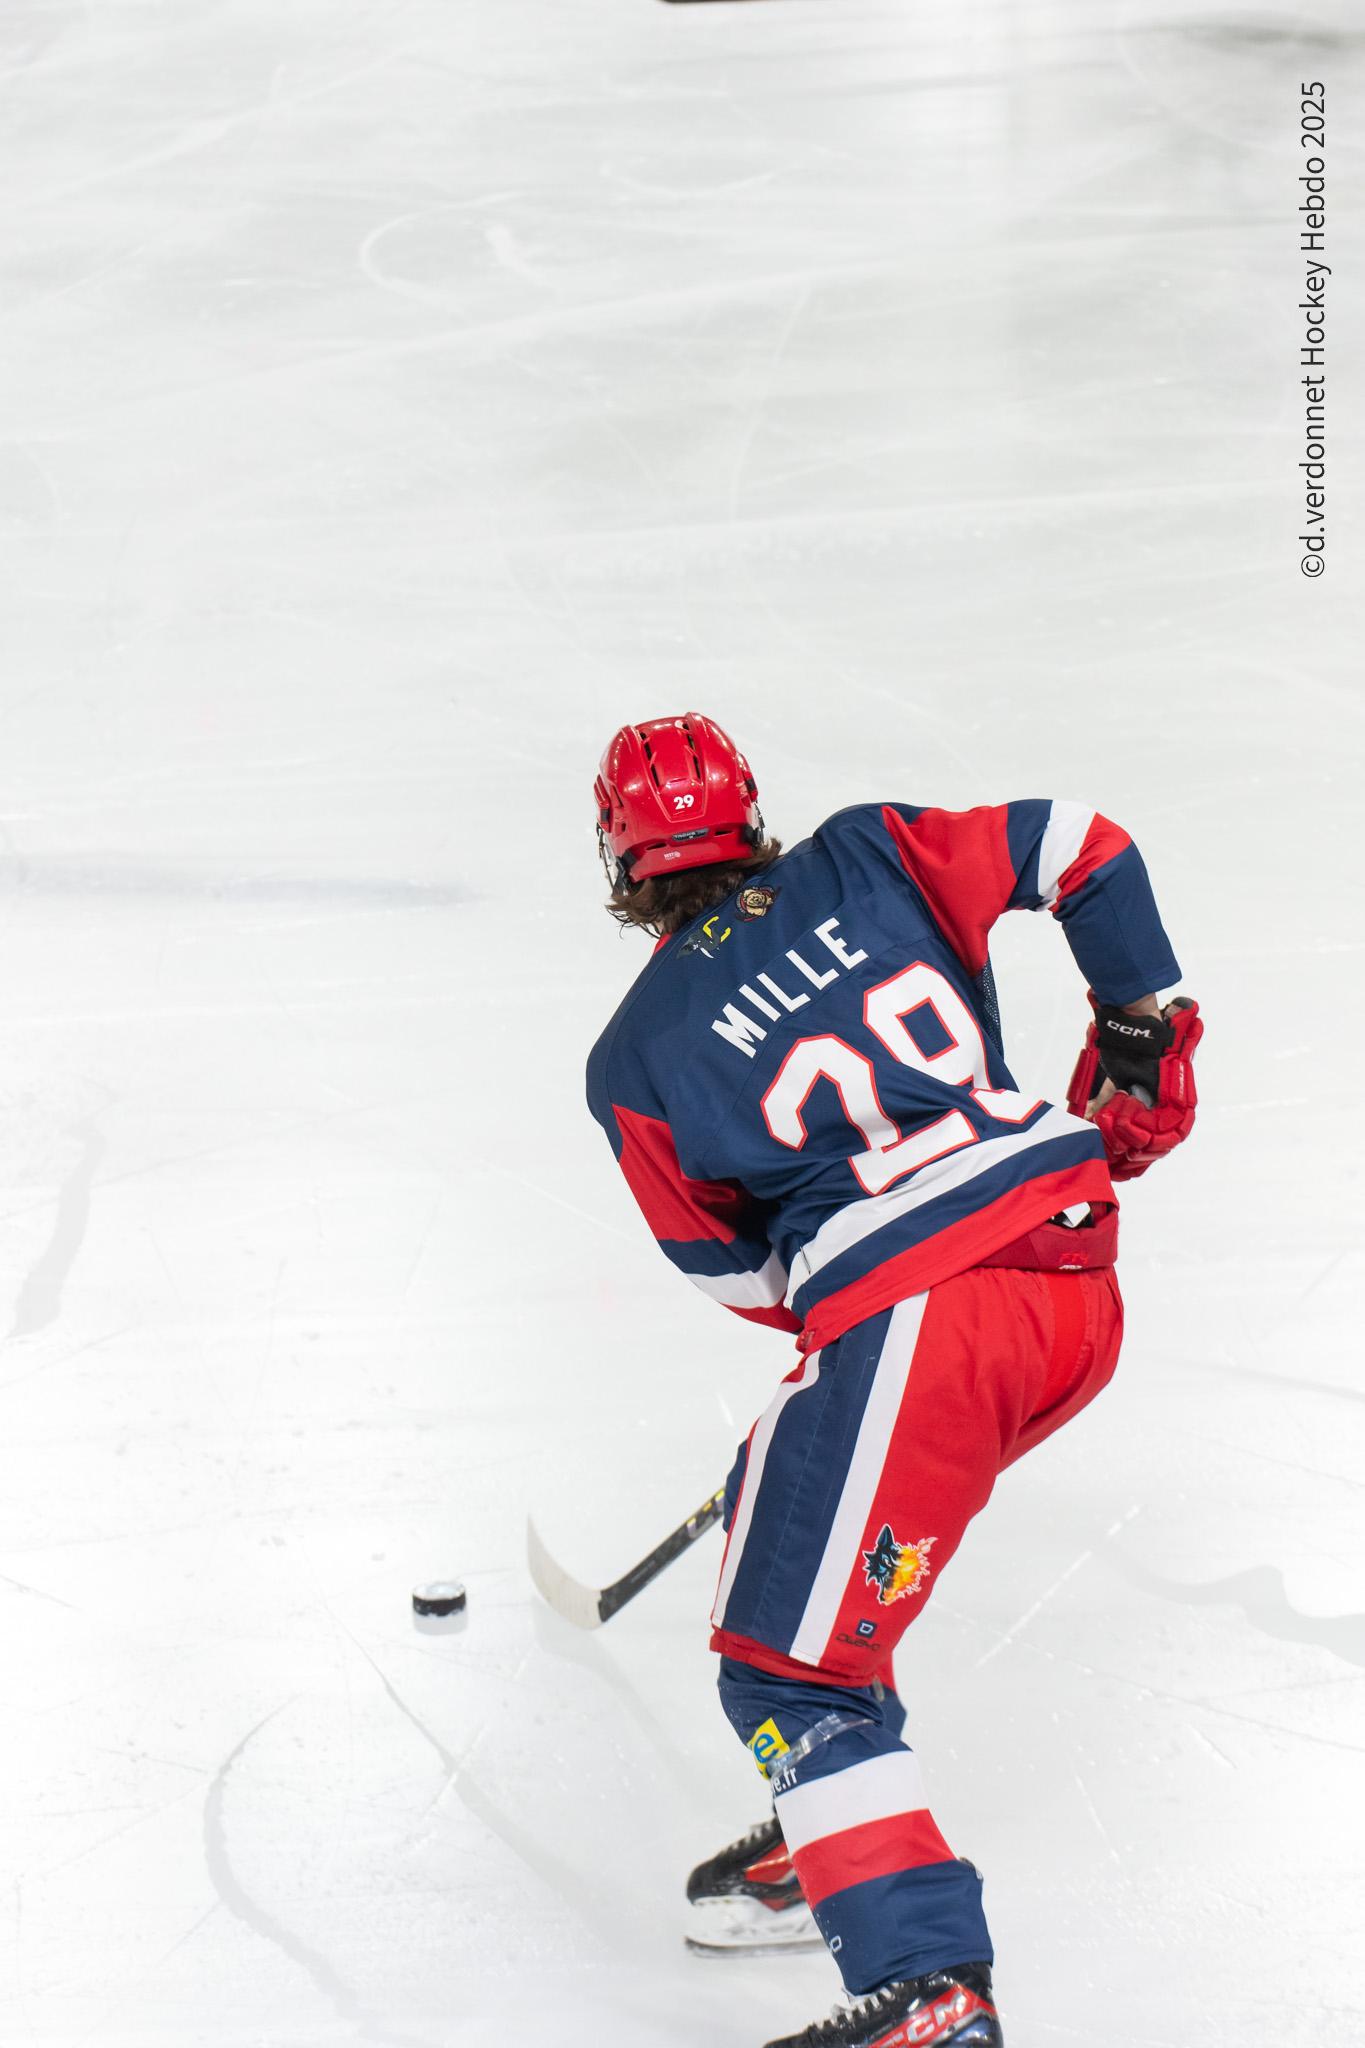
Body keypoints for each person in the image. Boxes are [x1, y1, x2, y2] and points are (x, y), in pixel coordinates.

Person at [586, 713, 1201, 2048]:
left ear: (618, 867)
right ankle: (826, 1831)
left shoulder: (632, 1060)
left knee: (779, 1670)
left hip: (926, 1321)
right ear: (749, 820)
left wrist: (867, 1322)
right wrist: (1137, 1030)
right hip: (1069, 1270)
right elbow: (1076, 844)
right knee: (787, 1510)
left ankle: (930, 1986)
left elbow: (745, 1283)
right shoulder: (869, 853)